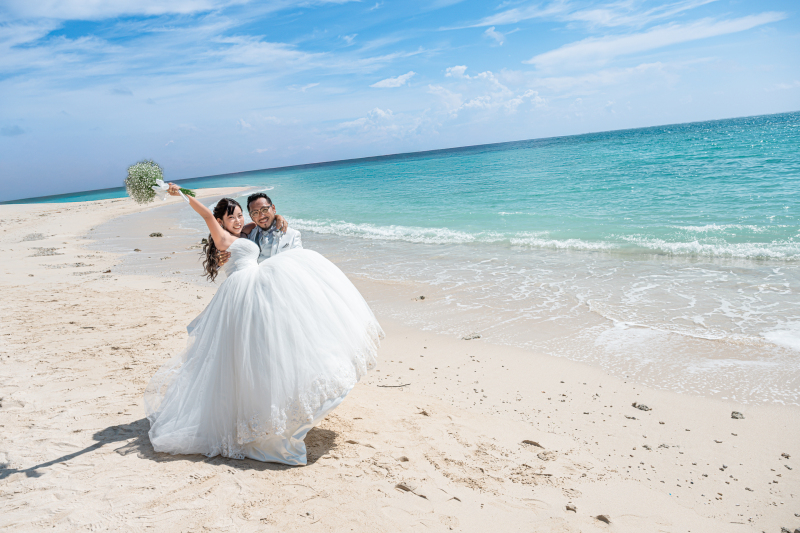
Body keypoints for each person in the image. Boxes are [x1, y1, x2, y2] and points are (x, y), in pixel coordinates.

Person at [144, 184, 383, 465]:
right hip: (246, 295)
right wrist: (183, 193)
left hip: (264, 294)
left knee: (263, 358)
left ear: (271, 210)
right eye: (234, 216)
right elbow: (206, 214)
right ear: (221, 221)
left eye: (241, 215)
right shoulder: (225, 234)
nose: (240, 219)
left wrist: (266, 222)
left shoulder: (248, 231)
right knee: (251, 359)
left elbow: (255, 235)